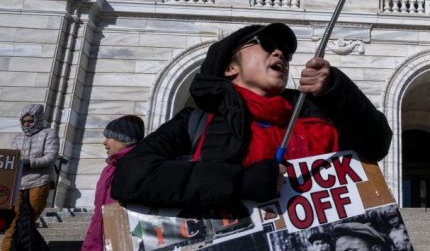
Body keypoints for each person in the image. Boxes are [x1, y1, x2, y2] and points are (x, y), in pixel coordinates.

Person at [111, 23, 392, 207]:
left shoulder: (311, 113)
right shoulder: (196, 121)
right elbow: (130, 176)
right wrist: (241, 181)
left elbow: (376, 144)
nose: (280, 53)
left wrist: (336, 90)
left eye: (286, 53)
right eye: (267, 43)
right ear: (229, 68)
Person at [81, 115, 145, 251]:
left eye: (110, 137)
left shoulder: (139, 166)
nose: (104, 142)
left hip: (124, 242)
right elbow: (98, 215)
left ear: (125, 140)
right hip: (99, 241)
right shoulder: (109, 169)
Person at [1, 104, 59, 251]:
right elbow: (12, 159)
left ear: (37, 119)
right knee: (14, 220)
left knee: (28, 219)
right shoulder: (18, 137)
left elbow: (51, 157)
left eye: (29, 120)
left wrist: (30, 162)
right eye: (24, 121)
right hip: (19, 183)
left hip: (40, 181)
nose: (26, 124)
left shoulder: (49, 133)